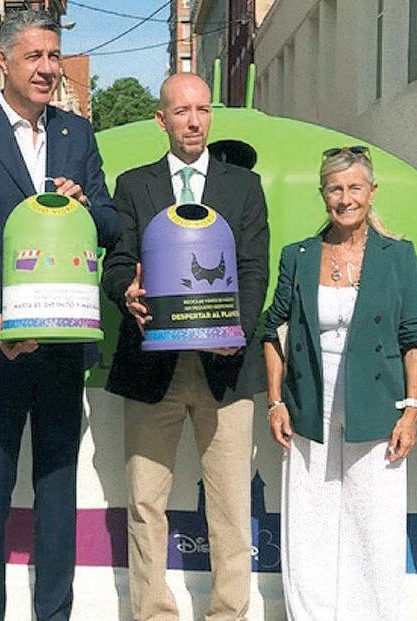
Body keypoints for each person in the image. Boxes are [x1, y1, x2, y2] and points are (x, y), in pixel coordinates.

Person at [0, 9, 121, 620]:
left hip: (64, 346)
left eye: (54, 56)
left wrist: (84, 204)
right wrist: (0, 316)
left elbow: (110, 224)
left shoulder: (77, 135)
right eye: (34, 57)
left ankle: (54, 613)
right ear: (3, 61)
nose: (47, 69)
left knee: (56, 493)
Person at [100, 72, 269, 621]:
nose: (194, 122)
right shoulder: (134, 186)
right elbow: (117, 263)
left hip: (227, 370)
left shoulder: (243, 187)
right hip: (152, 369)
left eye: (202, 110)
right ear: (162, 119)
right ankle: (153, 613)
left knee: (231, 507)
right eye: (181, 111)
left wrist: (236, 334)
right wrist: (126, 292)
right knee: (145, 503)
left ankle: (229, 613)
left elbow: (254, 269)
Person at [260, 146, 417, 619]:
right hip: (309, 406)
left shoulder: (397, 256)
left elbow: (416, 338)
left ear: (371, 193)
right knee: (308, 520)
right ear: (323, 195)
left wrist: (411, 410)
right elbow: (273, 331)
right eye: (335, 188)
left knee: (373, 522)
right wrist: (275, 402)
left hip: (377, 407)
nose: (345, 198)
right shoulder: (298, 256)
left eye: (355, 187)